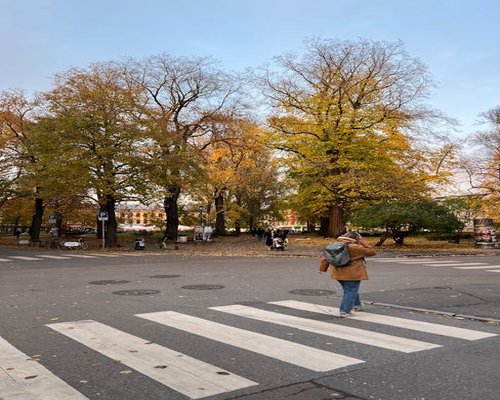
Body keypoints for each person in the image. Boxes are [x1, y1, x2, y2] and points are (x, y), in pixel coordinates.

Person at [319, 231, 376, 317]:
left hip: (337, 273)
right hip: (352, 273)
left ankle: (356, 305)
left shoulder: (333, 246)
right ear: (357, 238)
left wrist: (322, 269)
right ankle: (345, 310)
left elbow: (324, 258)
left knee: (350, 289)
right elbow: (372, 252)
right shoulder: (355, 247)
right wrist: (364, 243)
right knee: (351, 290)